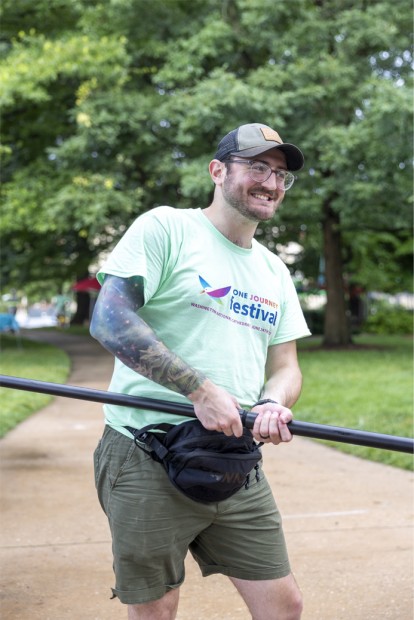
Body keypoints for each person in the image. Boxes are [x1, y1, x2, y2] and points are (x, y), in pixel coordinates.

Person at [90, 122, 311, 620]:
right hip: (146, 451)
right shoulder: (166, 228)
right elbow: (109, 319)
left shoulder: (275, 271)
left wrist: (275, 401)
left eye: (280, 175)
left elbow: (286, 366)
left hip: (233, 455)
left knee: (284, 605)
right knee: (157, 610)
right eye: (257, 167)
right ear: (217, 171)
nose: (271, 183)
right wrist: (198, 388)